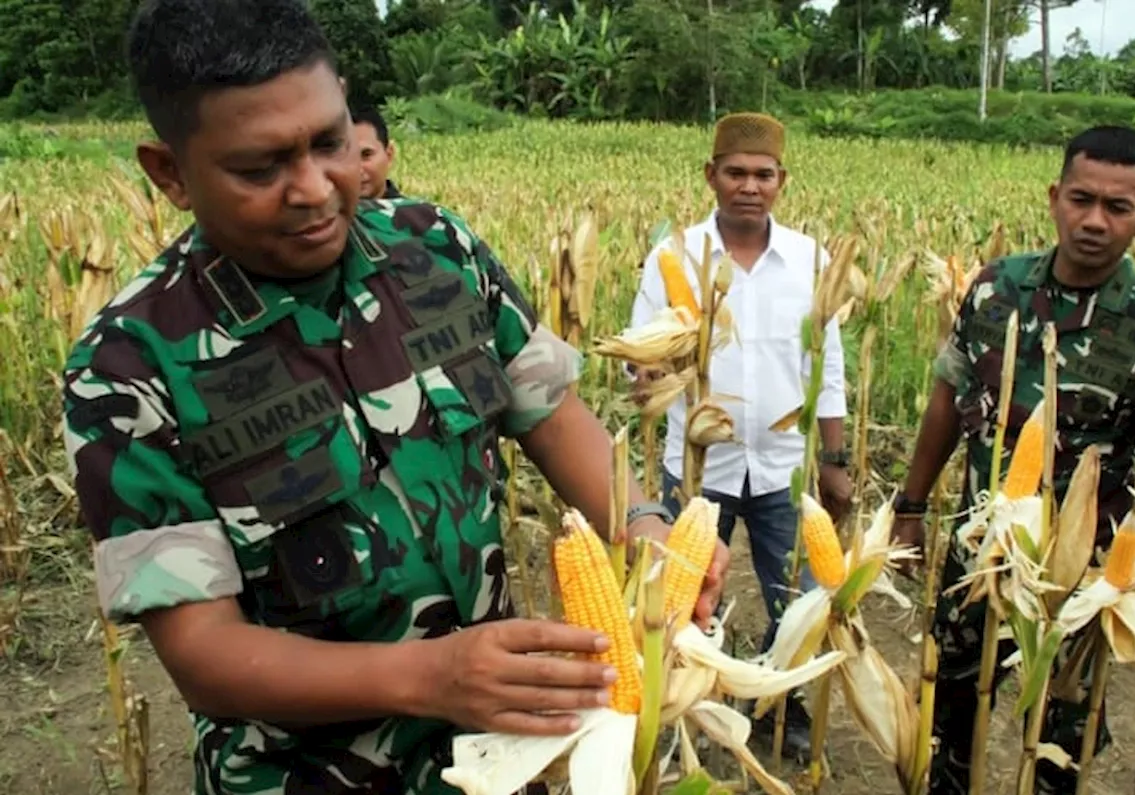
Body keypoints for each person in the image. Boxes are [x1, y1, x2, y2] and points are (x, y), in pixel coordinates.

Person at [60, 2, 728, 794]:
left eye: (330, 142)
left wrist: (646, 525)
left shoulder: (438, 247)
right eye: (260, 167)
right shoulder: (128, 365)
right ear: (169, 172)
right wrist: (432, 675)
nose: (314, 189)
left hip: (503, 750)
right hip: (302, 775)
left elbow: (552, 414)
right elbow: (204, 654)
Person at [890, 125, 1135, 795]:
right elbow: (945, 401)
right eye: (1081, 199)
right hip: (976, 554)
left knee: (1058, 742)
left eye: (1118, 207)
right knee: (946, 714)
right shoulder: (995, 289)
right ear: (1055, 197)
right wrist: (909, 504)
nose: (1095, 221)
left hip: (1082, 574)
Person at [625, 111, 853, 762]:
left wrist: (833, 459)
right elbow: (647, 358)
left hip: (787, 467)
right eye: (735, 172)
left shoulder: (812, 259)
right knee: (680, 598)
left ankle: (783, 703)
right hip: (696, 472)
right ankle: (679, 703)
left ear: (782, 180)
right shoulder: (672, 258)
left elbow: (827, 366)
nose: (749, 186)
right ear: (711, 176)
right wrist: (652, 375)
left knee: (802, 598)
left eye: (763, 174)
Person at [351, 105, 401, 199]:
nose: (357, 169)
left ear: (389, 154)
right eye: (347, 158)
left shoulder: (415, 213)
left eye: (366, 155)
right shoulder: (321, 212)